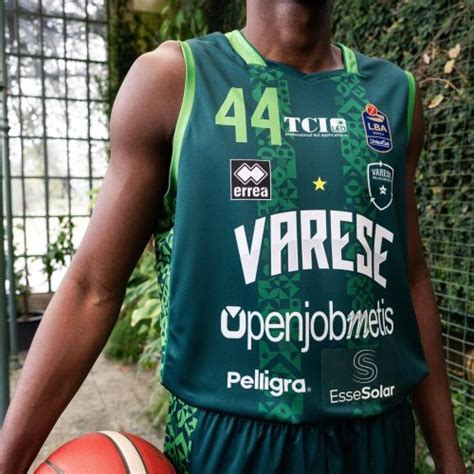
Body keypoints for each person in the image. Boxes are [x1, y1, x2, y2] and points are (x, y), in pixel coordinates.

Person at [0, 1, 466, 473]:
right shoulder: (173, 81)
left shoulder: (394, 94)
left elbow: (410, 278)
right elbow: (91, 288)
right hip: (226, 441)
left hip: (376, 435)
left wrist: (451, 462)